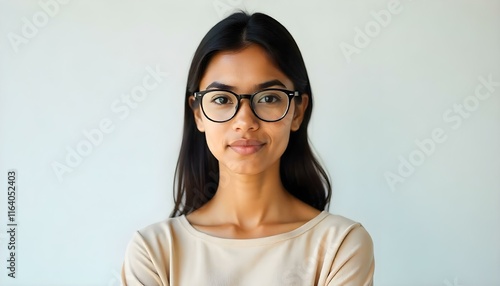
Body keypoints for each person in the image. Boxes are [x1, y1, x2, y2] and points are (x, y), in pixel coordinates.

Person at [121, 11, 374, 286]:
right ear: (197, 114)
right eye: (221, 99)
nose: (245, 122)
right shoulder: (155, 251)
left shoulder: (341, 246)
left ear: (298, 111)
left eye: (268, 97)